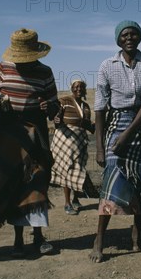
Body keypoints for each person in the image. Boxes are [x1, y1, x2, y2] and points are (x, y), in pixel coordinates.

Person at [90, 20, 141, 263]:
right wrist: (100, 147)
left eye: (134, 34)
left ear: (140, 37)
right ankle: (99, 239)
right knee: (111, 180)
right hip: (117, 123)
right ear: (118, 39)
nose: (129, 38)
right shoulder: (107, 65)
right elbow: (101, 107)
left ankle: (137, 233)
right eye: (124, 35)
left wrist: (129, 134)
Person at [0, 28, 60, 257]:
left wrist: (49, 107)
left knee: (37, 179)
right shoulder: (3, 68)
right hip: (8, 132)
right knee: (12, 181)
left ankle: (38, 237)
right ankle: (17, 240)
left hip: (36, 132)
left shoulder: (45, 72)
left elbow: (55, 106)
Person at [50, 79, 99, 215]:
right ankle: (67, 203)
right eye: (76, 87)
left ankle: (76, 198)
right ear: (71, 88)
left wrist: (99, 125)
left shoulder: (86, 107)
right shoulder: (64, 101)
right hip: (65, 138)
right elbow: (56, 116)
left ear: (84, 90)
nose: (79, 89)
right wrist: (56, 120)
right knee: (67, 169)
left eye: (82, 87)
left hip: (80, 141)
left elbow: (88, 126)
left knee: (78, 170)